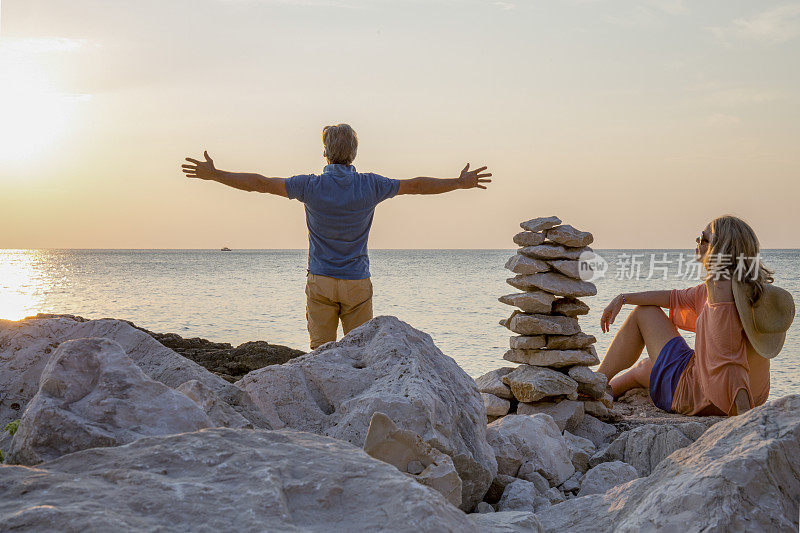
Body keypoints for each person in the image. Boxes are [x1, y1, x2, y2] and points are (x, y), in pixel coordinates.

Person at [182, 123, 492, 350]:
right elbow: (416, 185)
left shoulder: (311, 186)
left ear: (325, 152)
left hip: (321, 281)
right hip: (357, 282)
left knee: (321, 354)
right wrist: (457, 183)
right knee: (359, 354)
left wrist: (216, 174)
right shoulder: (371, 185)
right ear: (354, 153)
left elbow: (260, 183)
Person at [596, 215, 794, 416]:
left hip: (707, 395)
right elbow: (675, 298)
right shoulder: (748, 289)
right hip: (754, 394)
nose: (698, 242)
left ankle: (593, 383)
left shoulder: (720, 288)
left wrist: (743, 415)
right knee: (644, 367)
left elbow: (729, 358)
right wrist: (623, 298)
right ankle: (603, 392)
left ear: (719, 249)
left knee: (643, 313)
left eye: (704, 238)